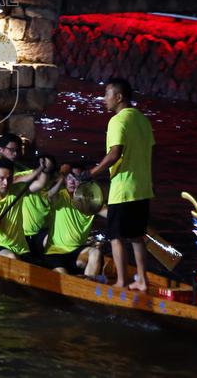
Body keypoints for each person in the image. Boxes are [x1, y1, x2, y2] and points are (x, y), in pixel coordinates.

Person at [87, 77, 155, 292]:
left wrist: (93, 172)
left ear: (118, 97)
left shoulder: (117, 121)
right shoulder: (143, 120)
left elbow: (115, 153)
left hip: (123, 188)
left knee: (116, 237)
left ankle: (122, 281)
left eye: (107, 94)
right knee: (137, 237)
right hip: (143, 188)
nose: (104, 99)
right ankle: (142, 280)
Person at [0, 157, 51, 258]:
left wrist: (45, 169)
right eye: (1, 178)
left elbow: (40, 183)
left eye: (9, 179)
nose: (6, 183)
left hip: (21, 248)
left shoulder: (17, 189)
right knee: (12, 257)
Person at [43, 163, 103, 276]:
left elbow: (111, 214)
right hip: (55, 252)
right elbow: (50, 195)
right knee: (64, 280)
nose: (71, 181)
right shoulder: (61, 195)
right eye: (69, 178)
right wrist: (62, 176)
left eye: (76, 178)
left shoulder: (90, 202)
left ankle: (88, 287)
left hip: (77, 253)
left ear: (83, 182)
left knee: (95, 253)